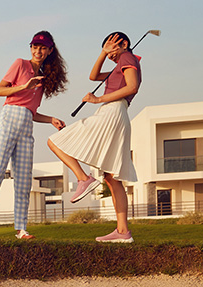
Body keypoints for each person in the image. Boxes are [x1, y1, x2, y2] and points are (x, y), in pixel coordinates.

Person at [0, 31, 67, 240]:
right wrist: (24, 85)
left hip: (25, 129)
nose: (38, 51)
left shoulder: (44, 79)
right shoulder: (20, 64)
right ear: (30, 48)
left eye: (42, 48)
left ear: (50, 51)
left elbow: (30, 111)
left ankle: (21, 229)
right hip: (7, 121)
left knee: (23, 181)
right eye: (34, 46)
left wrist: (50, 119)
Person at [47, 32, 140, 243]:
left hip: (112, 111)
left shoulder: (127, 57)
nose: (109, 55)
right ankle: (123, 231)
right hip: (117, 114)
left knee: (54, 141)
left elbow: (132, 86)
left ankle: (83, 178)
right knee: (110, 177)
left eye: (111, 48)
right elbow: (93, 76)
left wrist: (98, 99)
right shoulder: (120, 65)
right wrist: (103, 53)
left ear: (123, 44)